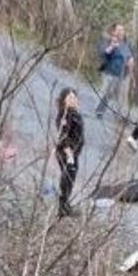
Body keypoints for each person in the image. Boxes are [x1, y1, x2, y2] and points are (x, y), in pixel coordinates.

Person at [55, 87, 85, 217]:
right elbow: (63, 135)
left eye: (74, 97)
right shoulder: (65, 115)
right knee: (67, 178)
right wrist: (69, 154)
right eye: (70, 97)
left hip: (74, 152)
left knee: (71, 179)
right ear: (64, 100)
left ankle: (65, 205)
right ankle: (62, 207)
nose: (73, 100)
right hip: (67, 153)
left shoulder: (75, 113)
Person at [94, 24, 134, 120]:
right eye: (118, 30)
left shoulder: (127, 44)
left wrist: (130, 61)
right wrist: (111, 46)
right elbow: (103, 53)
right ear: (113, 32)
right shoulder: (108, 41)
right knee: (106, 92)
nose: (120, 32)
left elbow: (131, 56)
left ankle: (120, 116)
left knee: (122, 96)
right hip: (110, 72)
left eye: (122, 30)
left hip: (123, 74)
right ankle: (99, 111)